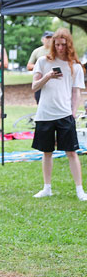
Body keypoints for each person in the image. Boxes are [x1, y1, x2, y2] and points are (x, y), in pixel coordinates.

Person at [30, 28, 87, 201]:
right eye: (57, 44)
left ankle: (80, 190)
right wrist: (47, 76)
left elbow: (76, 92)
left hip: (65, 115)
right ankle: (47, 188)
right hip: (45, 114)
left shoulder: (75, 66)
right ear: (53, 44)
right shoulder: (42, 61)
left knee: (72, 152)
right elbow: (34, 87)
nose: (60, 48)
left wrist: (73, 112)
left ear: (68, 45)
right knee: (46, 152)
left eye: (63, 44)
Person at [27, 31, 54, 104]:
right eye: (47, 38)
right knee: (40, 102)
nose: (49, 40)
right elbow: (29, 66)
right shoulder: (37, 51)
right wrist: (40, 66)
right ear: (42, 39)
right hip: (40, 81)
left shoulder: (56, 51)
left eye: (51, 38)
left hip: (53, 81)